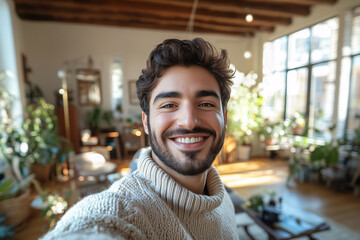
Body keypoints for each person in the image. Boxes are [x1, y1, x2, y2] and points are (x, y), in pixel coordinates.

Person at [42, 38, 238, 240]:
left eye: (206, 104)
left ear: (224, 117)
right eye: (169, 105)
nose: (188, 122)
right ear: (146, 121)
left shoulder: (222, 199)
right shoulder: (121, 210)